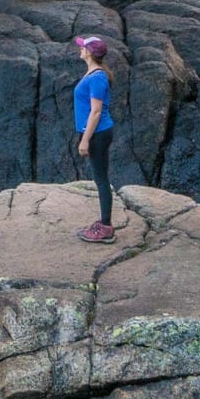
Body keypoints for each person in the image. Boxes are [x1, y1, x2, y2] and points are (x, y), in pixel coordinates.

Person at [72, 34, 117, 243]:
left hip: (98, 133)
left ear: (90, 53)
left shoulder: (97, 77)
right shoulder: (93, 74)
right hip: (95, 132)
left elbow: (96, 112)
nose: (80, 49)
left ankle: (106, 226)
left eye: (83, 47)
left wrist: (85, 140)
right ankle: (104, 223)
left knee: (101, 179)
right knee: (100, 177)